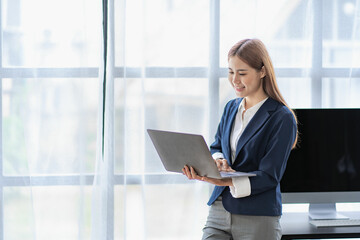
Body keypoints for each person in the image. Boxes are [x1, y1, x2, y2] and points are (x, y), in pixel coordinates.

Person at [182, 38, 298, 240]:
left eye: (242, 73)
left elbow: (270, 176)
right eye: (230, 72)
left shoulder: (281, 117)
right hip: (219, 210)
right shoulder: (231, 108)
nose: (235, 80)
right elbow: (216, 145)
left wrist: (226, 180)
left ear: (262, 72)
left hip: (258, 215)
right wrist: (218, 160)